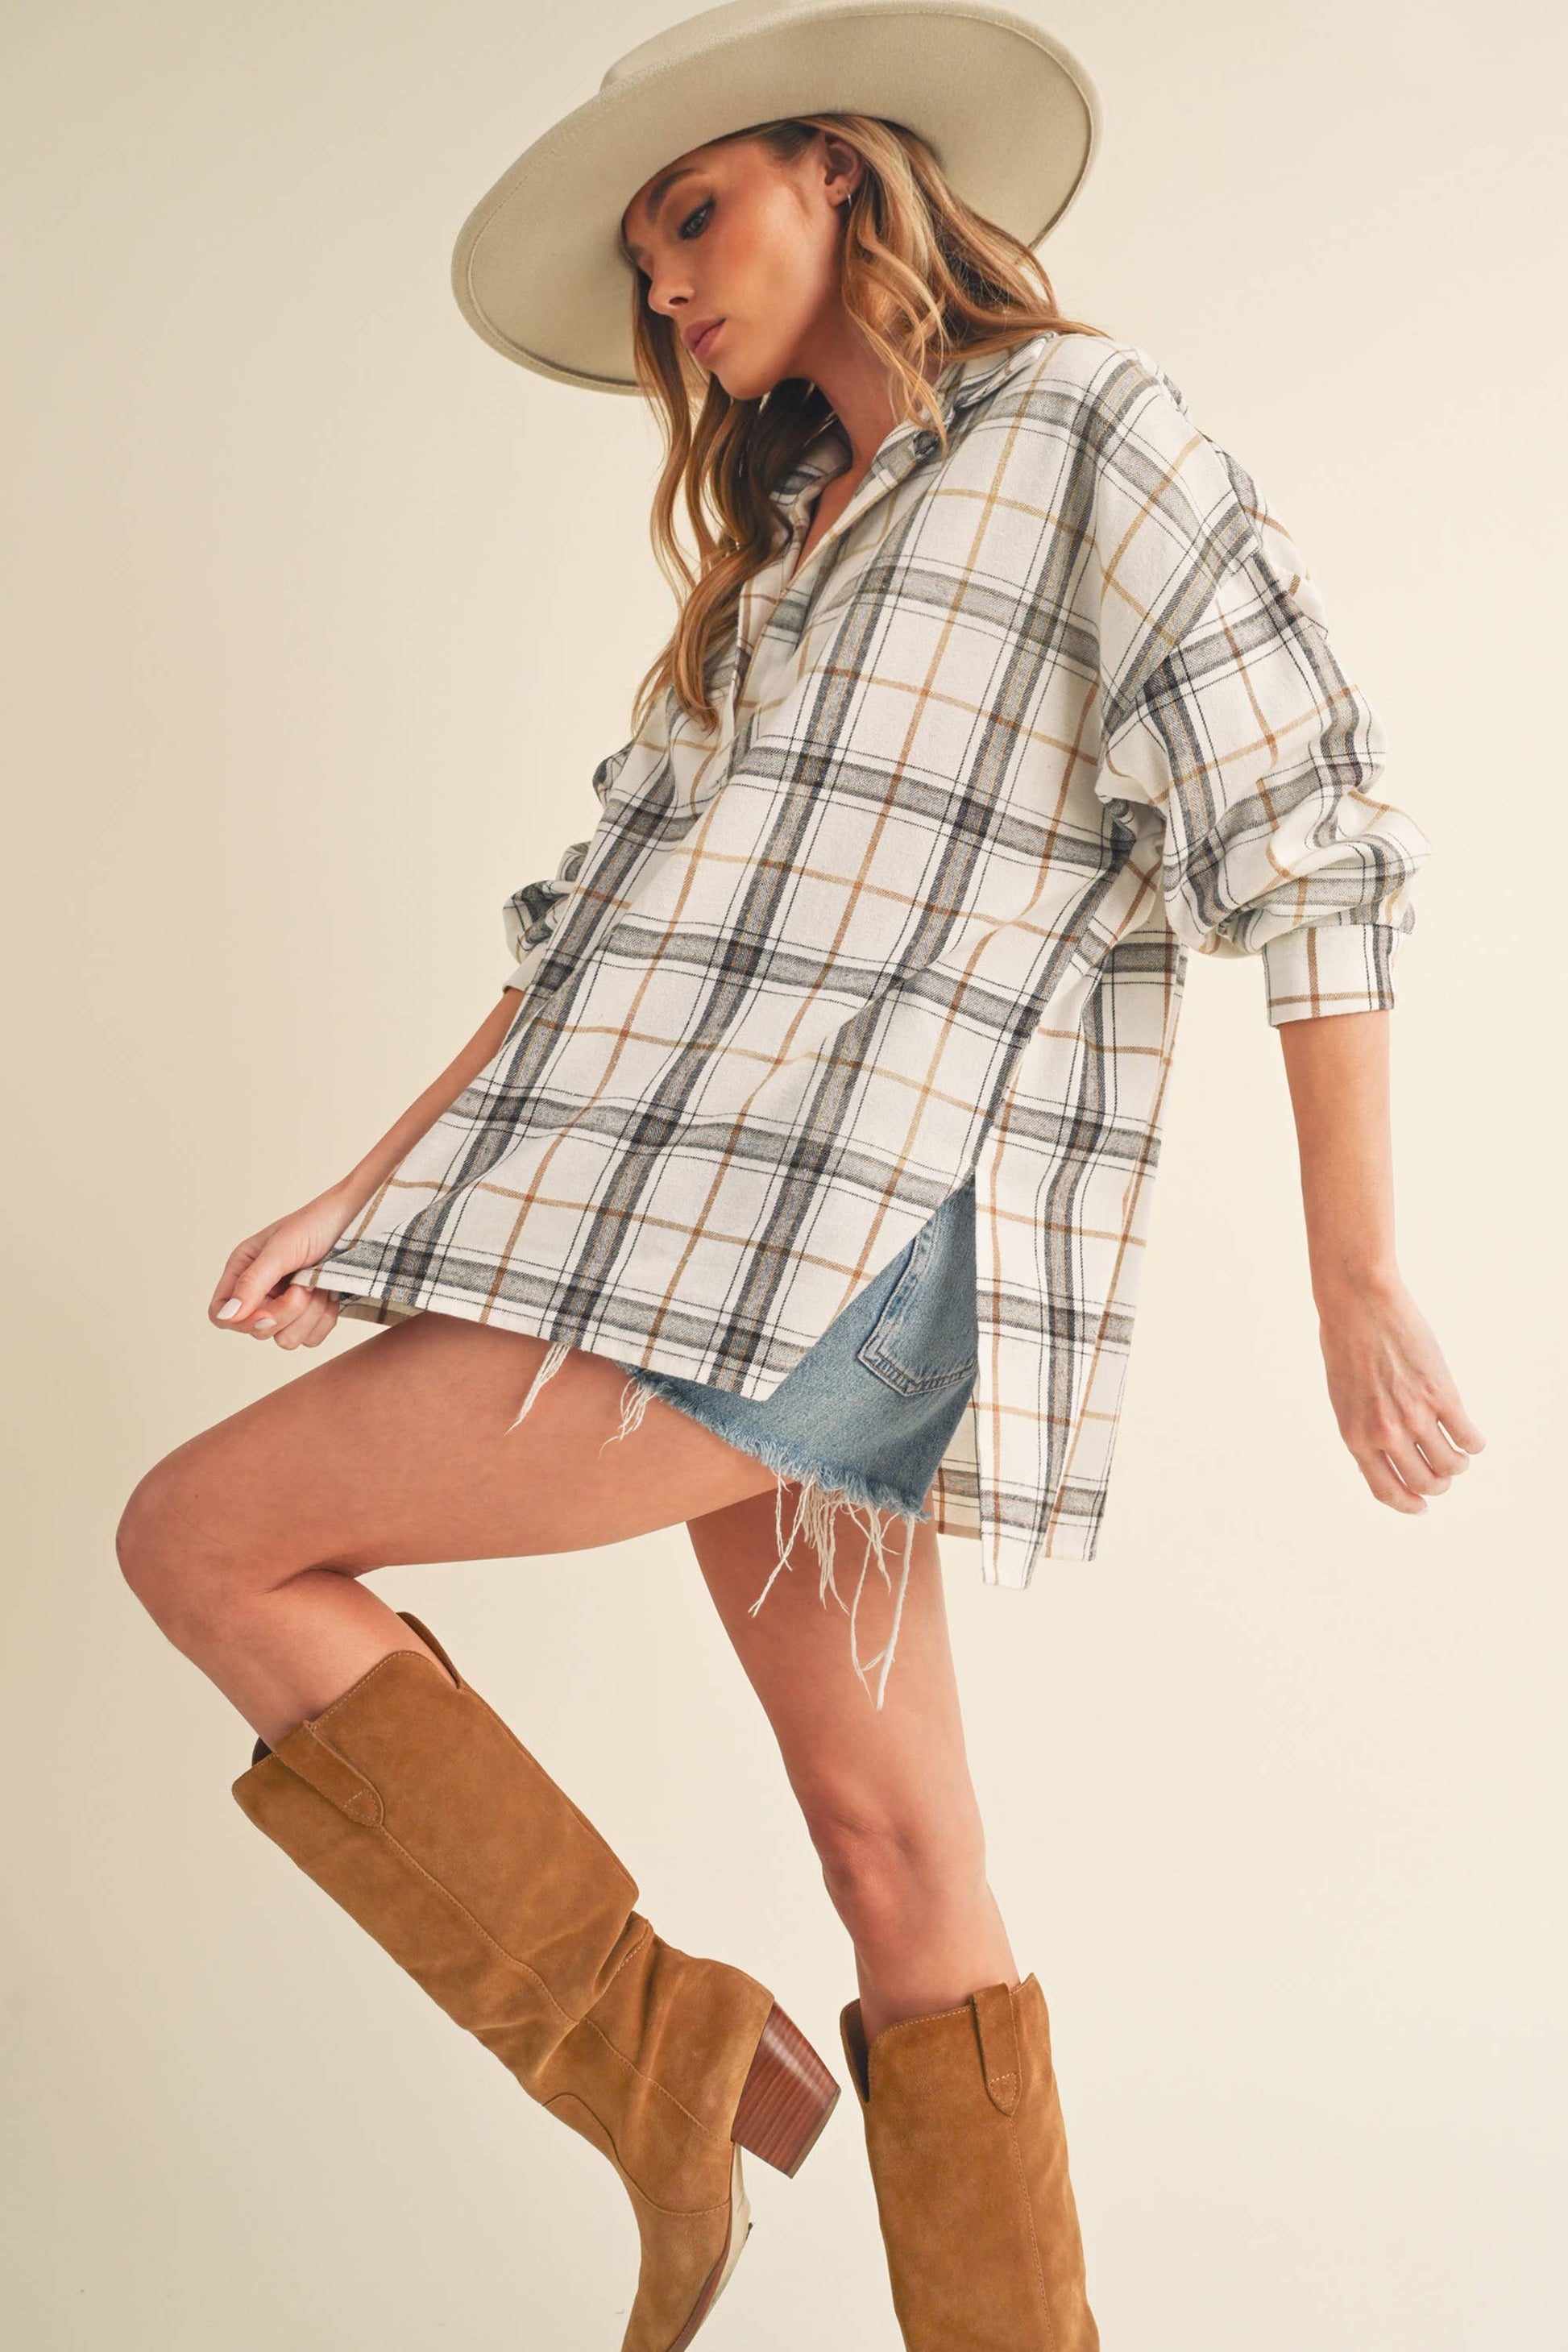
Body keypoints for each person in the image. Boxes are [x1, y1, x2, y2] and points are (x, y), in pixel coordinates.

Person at [115, 4, 1485, 2346]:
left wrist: (1351, 1266)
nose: (667, 287)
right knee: (898, 1852)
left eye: (694, 215)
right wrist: (373, 1183)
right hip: (674, 1213)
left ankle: (662, 2070)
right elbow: (592, 932)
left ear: (842, 174)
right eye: (644, 257)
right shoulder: (777, 554)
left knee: (205, 1536)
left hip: (837, 1240)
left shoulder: (1080, 429)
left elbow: (1308, 834)